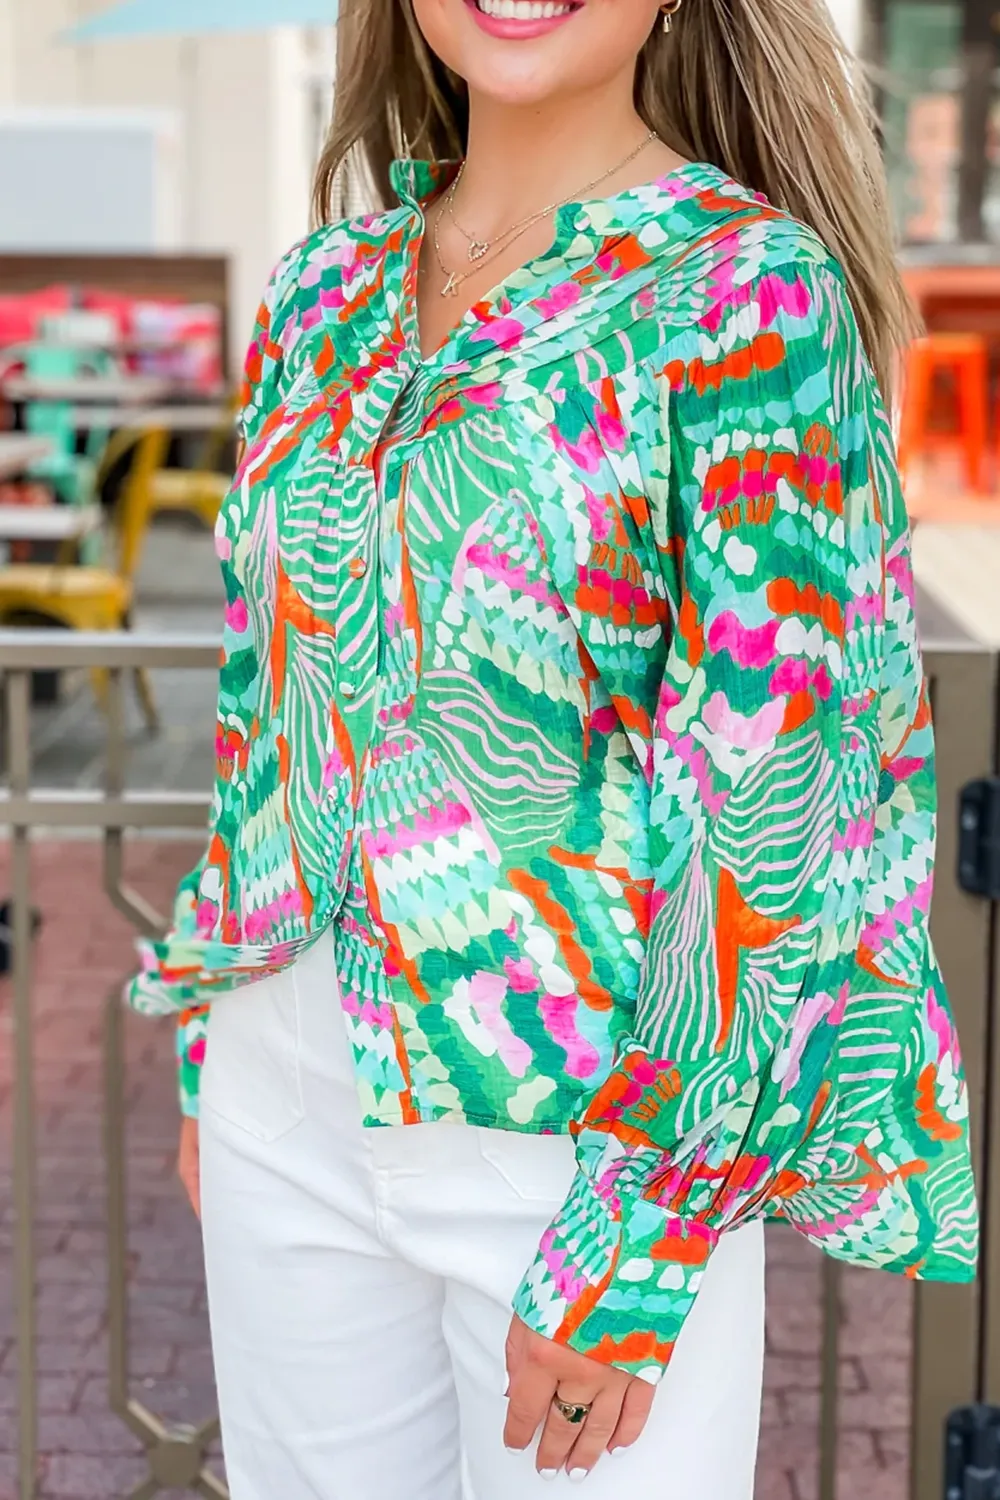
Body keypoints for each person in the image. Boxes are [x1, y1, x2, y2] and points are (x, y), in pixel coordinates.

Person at [127, 0, 979, 1493]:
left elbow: (776, 799)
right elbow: (273, 707)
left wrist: (639, 1239)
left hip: (585, 1140)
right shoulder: (325, 287)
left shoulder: (746, 292)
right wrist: (213, 1037)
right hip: (286, 1081)